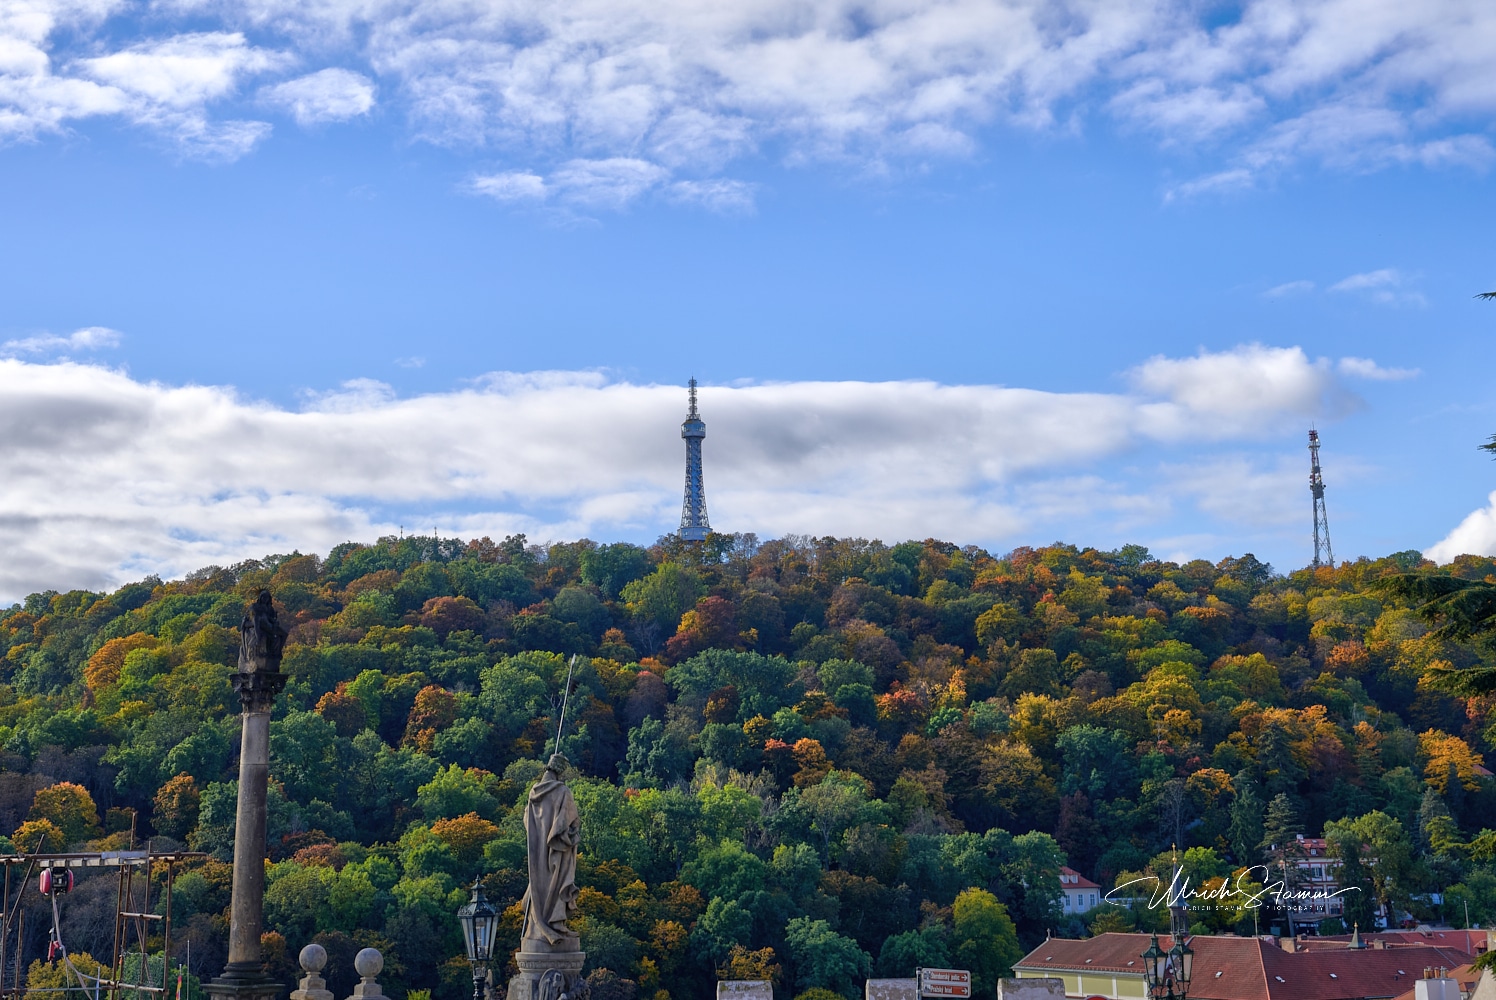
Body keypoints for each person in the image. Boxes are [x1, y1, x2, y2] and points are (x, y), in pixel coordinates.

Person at [520, 753, 581, 951]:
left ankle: (542, 928)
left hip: (537, 852)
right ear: (560, 770)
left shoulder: (533, 793)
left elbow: (527, 821)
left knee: (540, 885)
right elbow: (569, 823)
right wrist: (572, 834)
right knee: (556, 882)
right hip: (557, 850)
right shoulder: (563, 792)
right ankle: (555, 924)